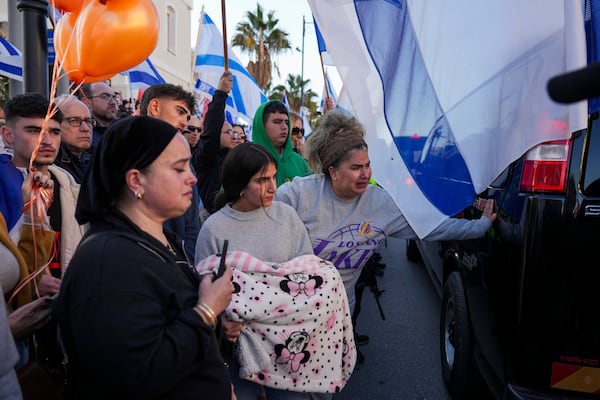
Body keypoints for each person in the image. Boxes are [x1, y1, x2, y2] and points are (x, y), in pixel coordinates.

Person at [53, 116, 236, 399]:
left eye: (189, 165)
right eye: (179, 168)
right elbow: (136, 374)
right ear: (136, 180)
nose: (193, 177)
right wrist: (207, 310)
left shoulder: (161, 241)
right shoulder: (109, 261)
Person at [274, 110, 497, 314]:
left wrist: (479, 226)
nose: (365, 174)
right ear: (333, 172)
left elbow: (428, 227)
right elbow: (254, 220)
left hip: (338, 313)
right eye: (355, 168)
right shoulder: (298, 194)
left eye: (367, 165)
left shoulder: (380, 203)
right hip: (290, 308)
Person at [195, 142, 355, 400]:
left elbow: (309, 275)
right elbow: (205, 294)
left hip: (291, 351)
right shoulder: (214, 230)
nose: (273, 187)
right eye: (262, 180)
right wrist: (224, 318)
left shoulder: (286, 217)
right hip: (241, 353)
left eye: (273, 177)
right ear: (239, 185)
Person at [140, 83, 201, 260]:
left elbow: (191, 226)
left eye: (187, 116)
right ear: (155, 107)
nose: (184, 122)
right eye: (180, 111)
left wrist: (184, 264)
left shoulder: (186, 161)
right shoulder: (123, 152)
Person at [193, 71, 236, 214]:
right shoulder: (207, 156)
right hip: (209, 216)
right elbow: (212, 130)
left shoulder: (233, 159)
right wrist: (221, 94)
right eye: (227, 132)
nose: (232, 136)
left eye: (233, 132)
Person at [251, 100, 311, 186]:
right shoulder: (245, 160)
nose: (284, 127)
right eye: (277, 122)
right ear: (262, 125)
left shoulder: (300, 162)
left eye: (287, 123)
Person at [53, 95, 94, 184]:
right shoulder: (49, 164)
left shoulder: (97, 160)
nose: (85, 128)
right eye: (74, 121)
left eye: (88, 121)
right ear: (55, 124)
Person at [77, 82, 118, 150]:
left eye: (114, 97)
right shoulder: (83, 136)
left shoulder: (120, 131)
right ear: (86, 102)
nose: (113, 102)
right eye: (105, 96)